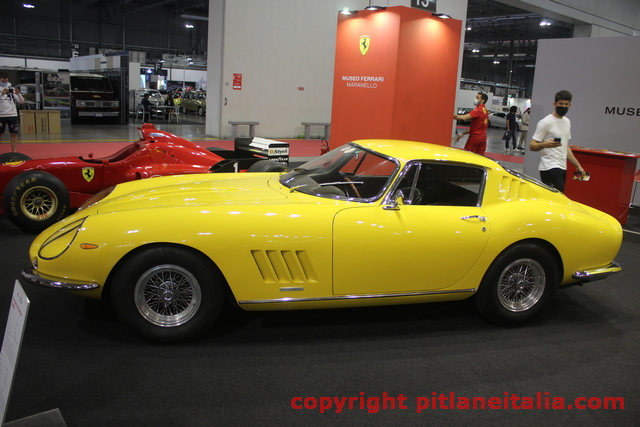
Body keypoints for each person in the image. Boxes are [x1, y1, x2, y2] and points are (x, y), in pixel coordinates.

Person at [529, 90, 585, 192]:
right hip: (549, 167)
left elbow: (565, 147)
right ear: (555, 104)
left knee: (557, 196)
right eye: (561, 104)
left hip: (562, 167)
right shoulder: (545, 122)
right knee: (558, 195)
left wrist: (578, 166)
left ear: (570, 105)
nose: (563, 106)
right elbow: (532, 146)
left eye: (566, 104)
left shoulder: (567, 122)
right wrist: (545, 144)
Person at [0, 72, 25, 152]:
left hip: (12, 114)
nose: (4, 82)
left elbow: (21, 101)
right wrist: (1, 93)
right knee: (0, 134)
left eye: (6, 80)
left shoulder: (11, 88)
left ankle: (14, 152)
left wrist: (18, 94)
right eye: (3, 81)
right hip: (1, 115)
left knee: (14, 133)